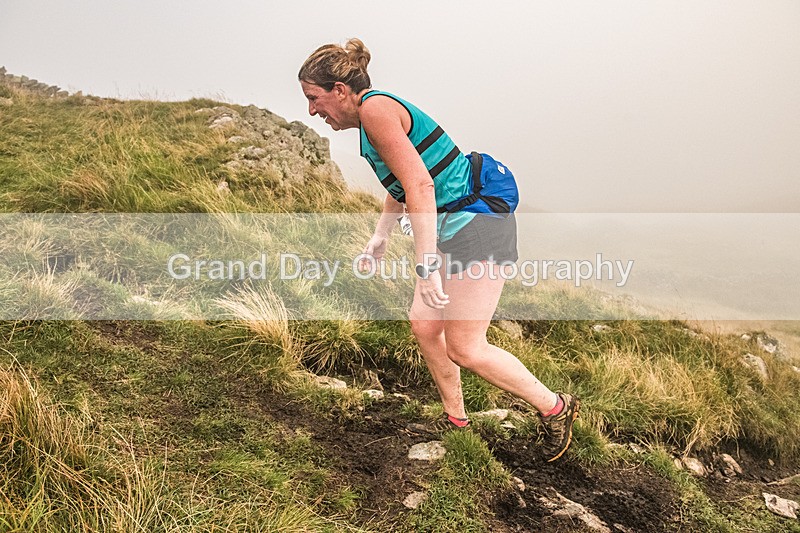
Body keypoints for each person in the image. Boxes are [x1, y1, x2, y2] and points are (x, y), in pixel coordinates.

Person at [298, 38, 580, 462]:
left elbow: (421, 186)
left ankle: (556, 408)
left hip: (479, 228)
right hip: (455, 228)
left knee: (466, 346)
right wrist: (380, 236)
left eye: (314, 98)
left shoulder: (375, 109)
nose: (312, 111)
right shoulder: (372, 118)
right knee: (425, 325)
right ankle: (457, 420)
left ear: (340, 90)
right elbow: (404, 182)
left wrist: (426, 265)